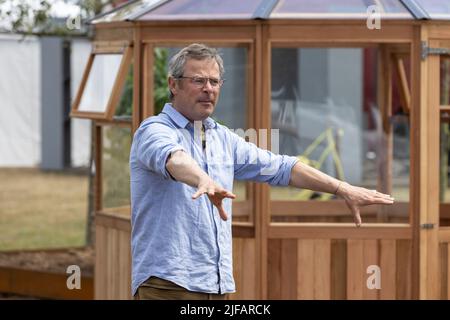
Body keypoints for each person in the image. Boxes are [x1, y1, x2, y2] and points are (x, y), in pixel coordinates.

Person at [129, 43, 394, 300]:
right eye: (198, 81)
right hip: (167, 284)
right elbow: (173, 158)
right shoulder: (153, 130)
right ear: (173, 84)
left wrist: (342, 188)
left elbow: (282, 167)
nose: (208, 89)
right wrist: (202, 179)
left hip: (216, 284)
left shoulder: (222, 137)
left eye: (214, 81)